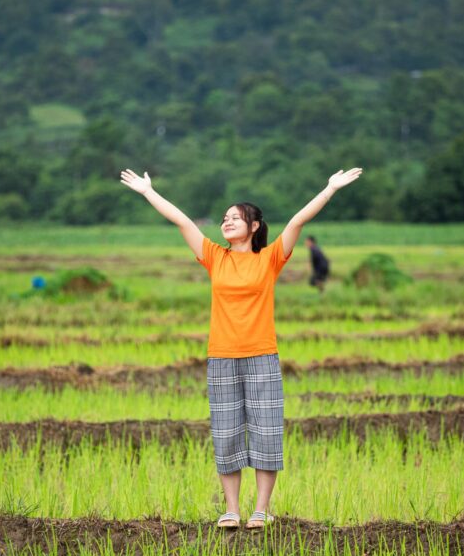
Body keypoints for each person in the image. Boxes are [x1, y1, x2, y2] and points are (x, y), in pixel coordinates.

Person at [120, 167, 363, 529]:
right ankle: (232, 509)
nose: (227, 222)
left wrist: (329, 189)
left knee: (266, 433)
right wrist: (147, 192)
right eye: (224, 218)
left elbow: (297, 221)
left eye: (235, 218)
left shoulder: (270, 259)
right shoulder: (215, 256)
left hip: (262, 356)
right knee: (227, 433)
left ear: (254, 227)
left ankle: (261, 509)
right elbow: (183, 222)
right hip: (221, 357)